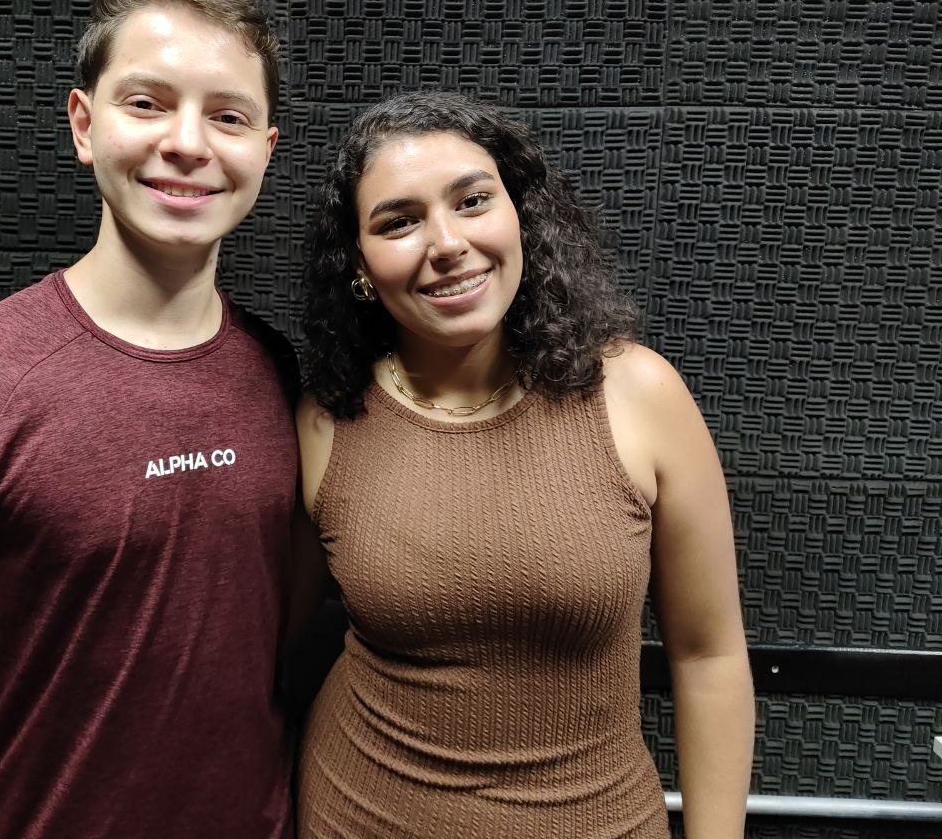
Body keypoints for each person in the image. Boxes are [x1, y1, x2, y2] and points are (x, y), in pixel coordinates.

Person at [0, 0, 298, 839]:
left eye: (227, 115)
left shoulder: (281, 374)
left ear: (265, 151)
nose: (188, 143)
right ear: (84, 123)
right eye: (147, 103)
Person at [295, 91, 754, 838]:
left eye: (472, 201)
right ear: (358, 263)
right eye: (399, 221)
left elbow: (709, 658)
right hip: (355, 814)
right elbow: (255, 646)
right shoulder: (325, 420)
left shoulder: (638, 394)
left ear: (521, 217)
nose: (447, 242)